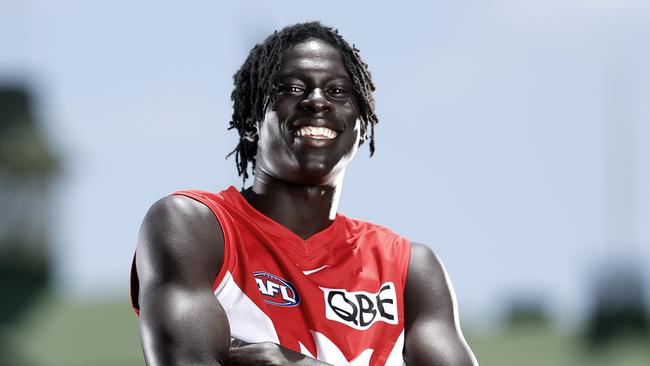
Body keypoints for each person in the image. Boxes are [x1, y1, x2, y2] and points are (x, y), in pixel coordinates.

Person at [130, 22, 478, 366]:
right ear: (253, 121)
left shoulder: (409, 270)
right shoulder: (194, 228)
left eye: (338, 92)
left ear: (361, 127)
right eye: (293, 88)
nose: (317, 102)